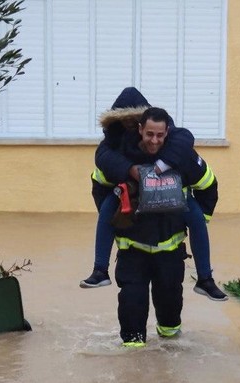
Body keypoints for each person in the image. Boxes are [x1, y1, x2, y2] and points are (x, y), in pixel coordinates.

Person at [80, 87, 227, 301]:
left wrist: (163, 165)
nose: (154, 140)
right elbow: (100, 178)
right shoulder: (113, 148)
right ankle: (100, 270)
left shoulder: (176, 142)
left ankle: (205, 278)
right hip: (130, 203)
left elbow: (203, 176)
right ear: (140, 129)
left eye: (134, 120)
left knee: (196, 218)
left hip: (175, 202)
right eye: (126, 122)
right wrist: (129, 178)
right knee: (108, 207)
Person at [111, 106, 217, 346]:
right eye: (149, 134)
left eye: (159, 135)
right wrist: (117, 217)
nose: (154, 140)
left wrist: (198, 220)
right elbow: (99, 184)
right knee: (132, 316)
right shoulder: (122, 156)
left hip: (170, 253)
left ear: (167, 132)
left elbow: (209, 185)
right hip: (132, 252)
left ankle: (168, 358)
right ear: (140, 130)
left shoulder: (181, 156)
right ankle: (133, 362)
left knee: (170, 326)